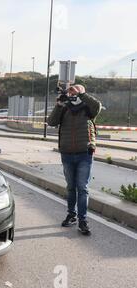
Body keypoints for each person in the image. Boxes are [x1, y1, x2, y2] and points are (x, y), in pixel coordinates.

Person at [47, 84, 102, 236]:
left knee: (82, 188)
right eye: (71, 90)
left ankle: (83, 220)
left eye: (75, 90)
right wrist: (58, 104)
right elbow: (51, 122)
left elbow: (97, 106)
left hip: (85, 153)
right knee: (71, 187)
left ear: (83, 92)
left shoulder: (88, 108)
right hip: (67, 154)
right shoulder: (64, 107)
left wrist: (81, 94)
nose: (72, 92)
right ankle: (71, 215)